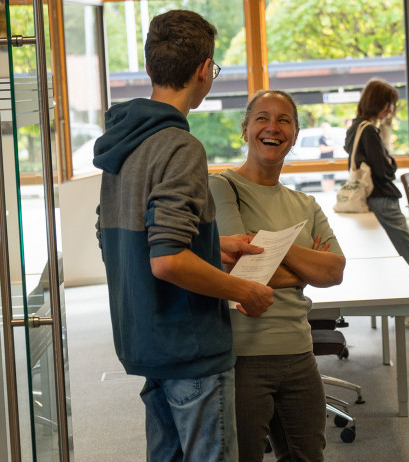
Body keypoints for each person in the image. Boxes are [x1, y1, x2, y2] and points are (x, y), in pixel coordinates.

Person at [93, 10, 274, 461]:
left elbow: (113, 235)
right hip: (190, 347)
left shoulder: (125, 139)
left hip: (146, 338)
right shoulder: (179, 145)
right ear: (202, 71)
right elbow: (168, 259)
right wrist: (244, 290)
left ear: (153, 67)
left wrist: (212, 247)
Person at [209, 90, 346, 461]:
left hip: (300, 354)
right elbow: (239, 272)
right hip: (243, 357)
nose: (273, 128)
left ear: (296, 133)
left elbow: (334, 270)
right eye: (262, 118)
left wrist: (274, 247)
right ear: (245, 129)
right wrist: (305, 268)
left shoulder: (306, 204)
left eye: (284, 120)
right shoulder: (223, 187)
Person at [345, 78, 409, 328]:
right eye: (389, 105)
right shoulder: (368, 129)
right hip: (383, 199)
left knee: (401, 252)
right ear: (379, 103)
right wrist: (391, 164)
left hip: (374, 199)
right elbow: (384, 170)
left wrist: (388, 163)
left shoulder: (355, 127)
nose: (390, 111)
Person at [319, 122, 336, 191]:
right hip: (324, 160)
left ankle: (331, 190)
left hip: (331, 160)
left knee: (331, 177)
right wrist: (332, 148)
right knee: (325, 177)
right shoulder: (321, 139)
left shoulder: (331, 138)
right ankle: (326, 191)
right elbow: (323, 149)